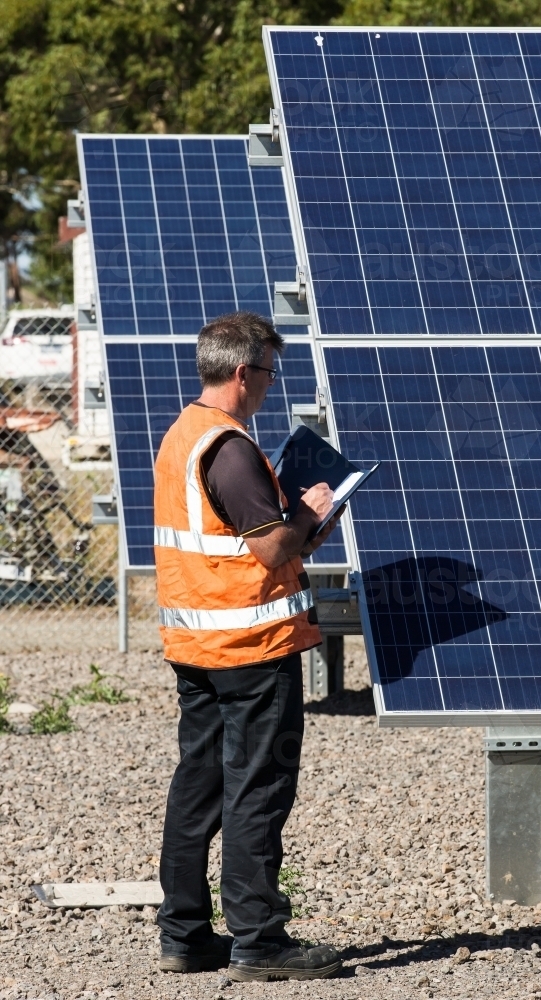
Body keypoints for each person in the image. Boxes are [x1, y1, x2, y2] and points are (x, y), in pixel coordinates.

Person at [153, 311, 343, 982]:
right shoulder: (228, 447)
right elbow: (269, 547)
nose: (268, 385)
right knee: (256, 789)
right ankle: (260, 942)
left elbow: (235, 545)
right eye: (266, 373)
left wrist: (299, 528)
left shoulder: (184, 434)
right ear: (241, 373)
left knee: (198, 786)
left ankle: (183, 934)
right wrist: (310, 511)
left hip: (198, 643)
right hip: (251, 648)